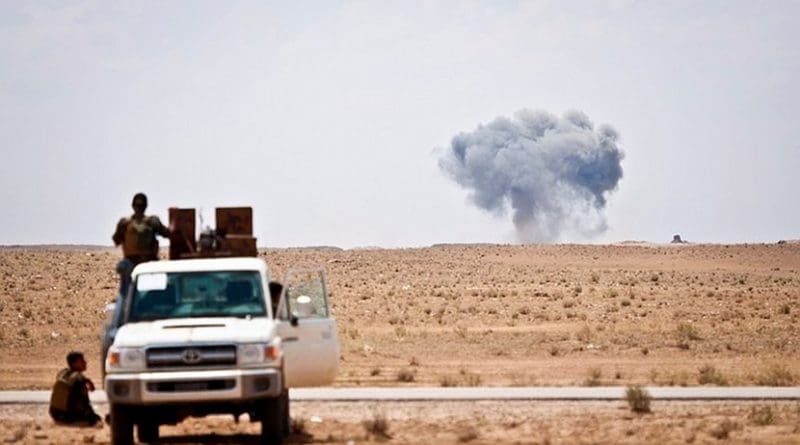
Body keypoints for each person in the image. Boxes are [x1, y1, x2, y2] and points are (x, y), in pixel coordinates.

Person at [112, 193, 171, 295]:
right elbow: (167, 234)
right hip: (135, 261)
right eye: (138, 205)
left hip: (147, 261)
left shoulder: (151, 222)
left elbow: (167, 234)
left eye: (141, 206)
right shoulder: (126, 223)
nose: (139, 208)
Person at [49, 351, 102, 426]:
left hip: (55, 414)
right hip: (68, 417)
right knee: (97, 419)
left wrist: (86, 380)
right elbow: (85, 403)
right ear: (74, 363)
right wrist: (93, 417)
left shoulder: (63, 373)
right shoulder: (79, 379)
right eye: (82, 361)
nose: (85, 363)